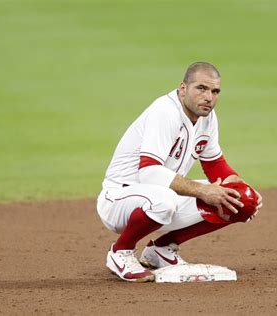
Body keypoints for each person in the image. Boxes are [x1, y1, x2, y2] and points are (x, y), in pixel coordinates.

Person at [96, 62, 263, 282]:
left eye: (215, 91)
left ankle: (162, 249)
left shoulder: (207, 119)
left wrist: (244, 189)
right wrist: (203, 192)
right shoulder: (165, 112)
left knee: (237, 198)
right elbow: (150, 173)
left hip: (159, 198)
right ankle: (121, 251)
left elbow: (215, 165)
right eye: (201, 88)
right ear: (183, 88)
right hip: (119, 199)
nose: (209, 97)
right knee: (165, 199)